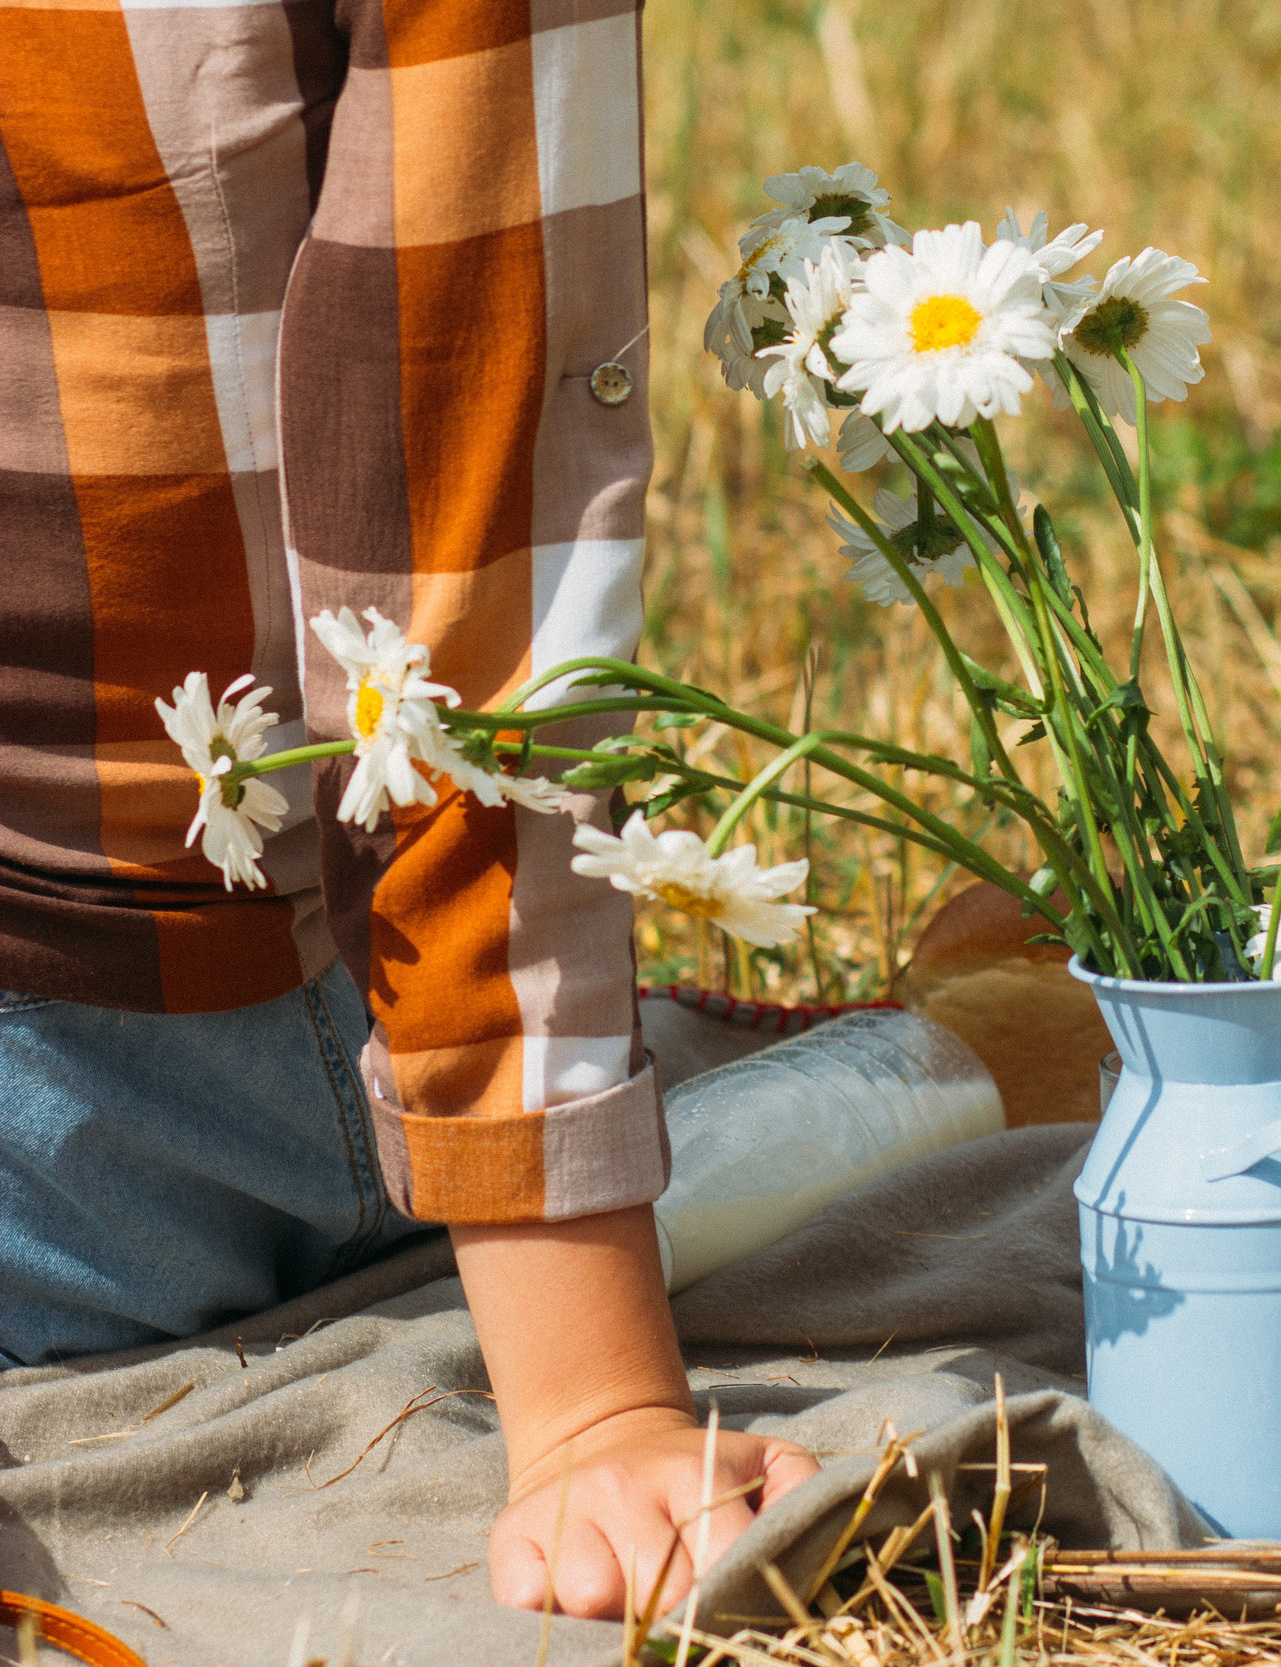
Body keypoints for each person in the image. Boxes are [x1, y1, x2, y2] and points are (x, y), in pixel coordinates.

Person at [0, 0, 817, 1616]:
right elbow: (466, 576)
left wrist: (594, 1404)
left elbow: (452, 633)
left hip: (98, 1065)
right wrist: (596, 1409)